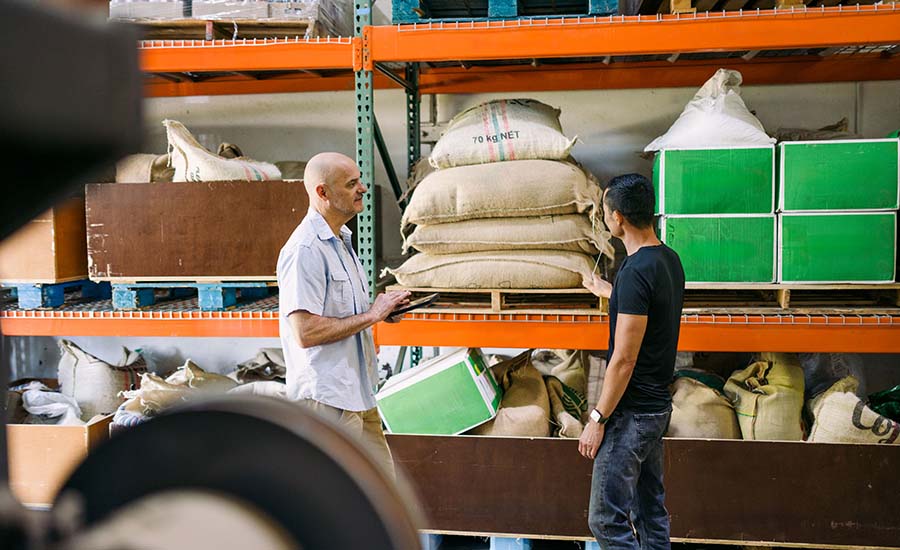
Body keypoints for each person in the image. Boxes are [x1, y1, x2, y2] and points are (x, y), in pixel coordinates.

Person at [276, 152, 410, 477]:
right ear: (323, 193)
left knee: (382, 494)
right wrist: (371, 316)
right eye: (351, 184)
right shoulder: (305, 250)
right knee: (336, 499)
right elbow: (304, 332)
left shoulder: (342, 240)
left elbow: (344, 314)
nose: (362, 189)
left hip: (359, 394)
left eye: (359, 181)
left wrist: (382, 312)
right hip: (328, 401)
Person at [579, 173, 685, 549]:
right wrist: (607, 290)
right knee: (649, 511)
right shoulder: (666, 260)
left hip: (631, 414)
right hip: (656, 409)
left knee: (606, 521)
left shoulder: (637, 270)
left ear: (618, 218)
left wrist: (597, 418)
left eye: (606, 211)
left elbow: (623, 360)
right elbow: (644, 308)